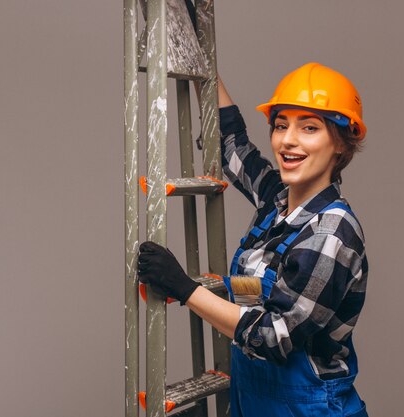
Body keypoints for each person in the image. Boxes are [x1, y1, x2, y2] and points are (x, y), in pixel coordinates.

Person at [138, 62, 369, 417]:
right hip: (254, 400)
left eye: (309, 127)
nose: (288, 140)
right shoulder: (276, 199)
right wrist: (201, 58)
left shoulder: (332, 231)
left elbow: (276, 336)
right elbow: (231, 140)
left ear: (340, 143)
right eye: (280, 125)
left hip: (308, 409)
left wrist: (185, 288)